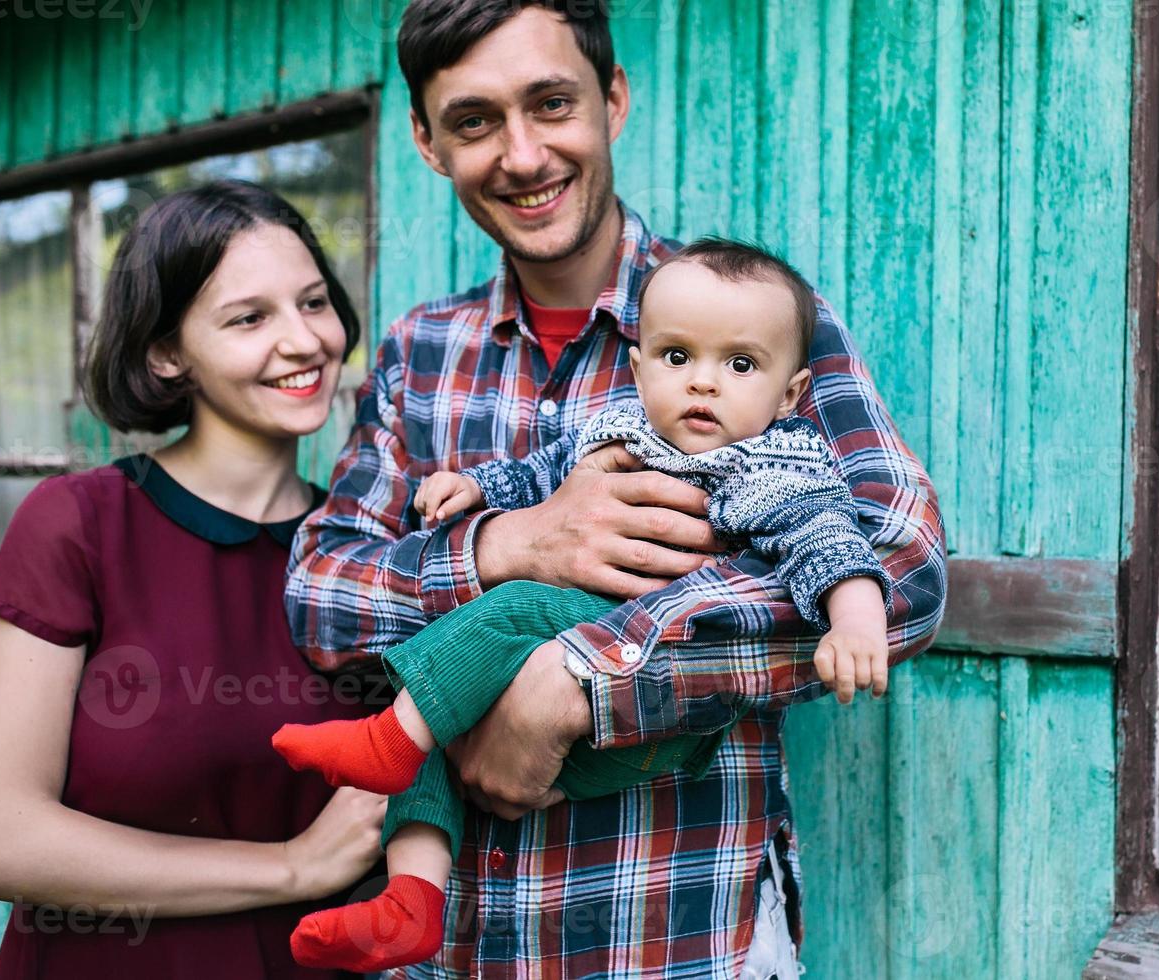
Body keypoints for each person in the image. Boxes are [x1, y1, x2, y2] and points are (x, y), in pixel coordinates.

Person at [285, 2, 948, 977]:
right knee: (413, 713)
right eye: (473, 120)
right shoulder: (418, 352)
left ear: (613, 99)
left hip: (671, 938)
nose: (521, 154)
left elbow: (901, 567)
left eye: (551, 102)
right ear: (426, 143)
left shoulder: (754, 321)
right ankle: (409, 897)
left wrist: (581, 682)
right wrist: (504, 546)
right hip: (452, 956)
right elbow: (321, 592)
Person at [272, 239, 894, 972]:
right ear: (638, 370)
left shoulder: (767, 463)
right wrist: (483, 497)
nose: (703, 385)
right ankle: (413, 901)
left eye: (739, 366)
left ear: (790, 395)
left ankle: (387, 740)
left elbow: (832, 538)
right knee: (436, 733)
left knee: (509, 615)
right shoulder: (624, 428)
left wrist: (854, 617)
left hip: (650, 742)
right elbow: (543, 471)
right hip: (540, 772)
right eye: (676, 359)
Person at [0, 181, 386, 978]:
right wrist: (292, 867)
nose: (304, 341)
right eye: (250, 318)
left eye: (314, 303)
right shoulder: (79, 525)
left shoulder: (369, 552)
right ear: (168, 353)